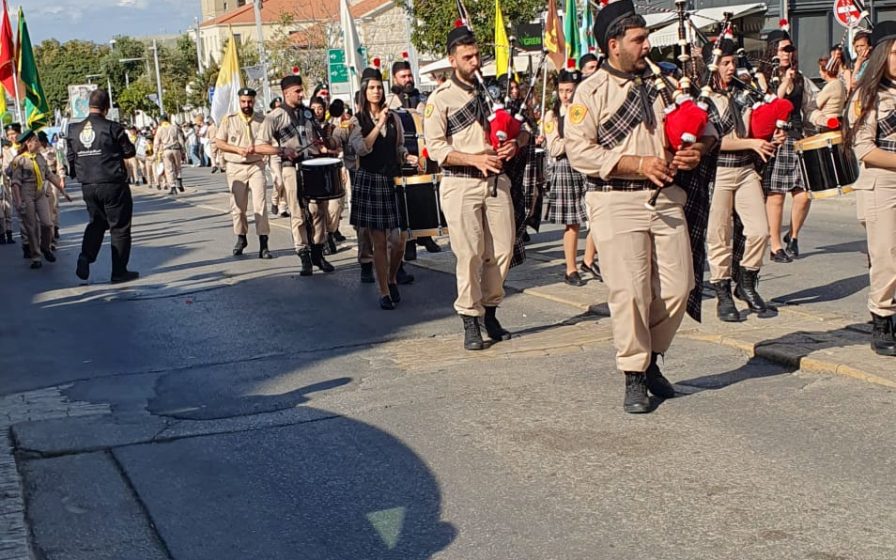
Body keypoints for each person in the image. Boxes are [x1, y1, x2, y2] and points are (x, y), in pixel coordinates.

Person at [564, 0, 715, 413]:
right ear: (614, 45)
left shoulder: (665, 82)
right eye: (639, 39)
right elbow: (579, 152)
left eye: (646, 38)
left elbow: (705, 128)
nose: (647, 45)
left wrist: (698, 150)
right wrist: (639, 163)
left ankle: (651, 357)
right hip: (616, 199)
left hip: (665, 196)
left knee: (680, 286)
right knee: (630, 291)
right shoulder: (589, 91)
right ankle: (634, 372)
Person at [423, 22, 526, 350]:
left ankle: (490, 310)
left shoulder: (493, 92)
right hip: (461, 183)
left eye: (477, 55)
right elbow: (435, 148)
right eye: (467, 57)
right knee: (469, 254)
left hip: (496, 180)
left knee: (503, 249)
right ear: (452, 60)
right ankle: (470, 318)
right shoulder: (440, 99)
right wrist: (473, 159)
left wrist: (515, 144)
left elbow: (522, 130)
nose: (475, 62)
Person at [703, 38, 773, 320]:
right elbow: (711, 143)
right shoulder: (703, 98)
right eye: (725, 63)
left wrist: (770, 136)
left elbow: (756, 128)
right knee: (719, 235)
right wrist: (752, 143)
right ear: (713, 65)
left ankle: (746, 282)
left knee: (760, 231)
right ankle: (722, 293)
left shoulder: (746, 93)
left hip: (745, 170)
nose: (731, 68)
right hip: (718, 172)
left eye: (733, 62)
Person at [845, 21, 896, 356]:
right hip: (882, 182)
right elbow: (865, 149)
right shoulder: (867, 96)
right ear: (881, 56)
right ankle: (882, 319)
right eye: (895, 53)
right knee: (886, 255)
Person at [349, 66, 418, 309]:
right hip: (370, 180)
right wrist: (378, 125)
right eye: (372, 88)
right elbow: (362, 148)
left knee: (399, 240)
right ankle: (384, 291)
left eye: (379, 87)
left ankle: (391, 277)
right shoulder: (357, 120)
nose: (376, 91)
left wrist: (406, 156)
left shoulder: (395, 118)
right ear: (364, 91)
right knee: (378, 242)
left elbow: (398, 146)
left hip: (392, 179)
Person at [255, 74, 338, 275]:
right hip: (290, 167)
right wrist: (281, 150)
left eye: (302, 90)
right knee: (298, 212)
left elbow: (321, 138)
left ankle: (318, 252)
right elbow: (259, 145)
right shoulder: (275, 116)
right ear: (286, 93)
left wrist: (326, 141)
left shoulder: (308, 114)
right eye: (297, 91)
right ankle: (304, 254)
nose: (301, 94)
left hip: (312, 166)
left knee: (318, 210)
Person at [760, 27, 820, 262]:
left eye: (790, 49)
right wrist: (784, 82)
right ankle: (775, 245)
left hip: (797, 138)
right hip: (776, 139)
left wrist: (822, 119)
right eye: (783, 49)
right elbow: (770, 106)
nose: (787, 53)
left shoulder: (801, 78)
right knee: (776, 195)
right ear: (773, 51)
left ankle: (793, 236)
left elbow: (810, 108)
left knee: (804, 193)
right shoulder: (763, 77)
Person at [66, 89, 139, 283]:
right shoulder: (113, 128)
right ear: (106, 107)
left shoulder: (73, 130)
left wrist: (78, 173)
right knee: (119, 227)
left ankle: (85, 256)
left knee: (97, 222)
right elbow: (129, 152)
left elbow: (71, 157)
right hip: (112, 183)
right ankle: (119, 272)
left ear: (88, 105)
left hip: (88, 185)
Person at [543, 63, 600, 286]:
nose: (566, 95)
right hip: (565, 166)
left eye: (570, 90)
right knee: (572, 222)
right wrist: (574, 136)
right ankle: (570, 269)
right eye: (562, 90)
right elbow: (554, 147)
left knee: (596, 216)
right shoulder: (552, 115)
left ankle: (589, 259)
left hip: (586, 164)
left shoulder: (584, 109)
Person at [388, 57, 441, 256]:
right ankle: (408, 241)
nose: (407, 79)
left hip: (425, 154)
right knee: (405, 199)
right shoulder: (389, 101)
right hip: (403, 156)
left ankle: (426, 235)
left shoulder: (423, 99)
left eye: (409, 75)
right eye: (403, 76)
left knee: (426, 195)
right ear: (395, 78)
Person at [215, 87, 273, 259]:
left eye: (249, 101)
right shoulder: (229, 120)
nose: (246, 105)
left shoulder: (262, 120)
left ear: (254, 101)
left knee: (260, 204)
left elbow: (270, 142)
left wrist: (262, 151)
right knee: (238, 207)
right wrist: (236, 149)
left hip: (256, 165)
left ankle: (264, 243)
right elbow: (219, 142)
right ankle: (241, 237)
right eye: (243, 101)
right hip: (236, 166)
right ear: (239, 101)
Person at [9, 129, 70, 268]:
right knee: (31, 227)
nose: (38, 143)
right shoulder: (19, 160)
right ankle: (36, 257)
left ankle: (45, 247)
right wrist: (18, 201)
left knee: (47, 224)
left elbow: (49, 175)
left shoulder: (40, 157)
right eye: (36, 141)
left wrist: (63, 191)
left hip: (40, 193)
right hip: (26, 193)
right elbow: (15, 183)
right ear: (28, 143)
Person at [153, 114, 186, 196]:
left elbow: (156, 142)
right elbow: (181, 140)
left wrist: (155, 152)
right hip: (176, 149)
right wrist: (183, 151)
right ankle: (179, 180)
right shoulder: (174, 127)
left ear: (161, 120)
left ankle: (173, 187)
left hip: (166, 150)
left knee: (169, 169)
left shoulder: (160, 129)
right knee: (178, 166)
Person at [816, 56, 847, 124]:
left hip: (828, 120)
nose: (819, 72)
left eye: (821, 70)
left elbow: (817, 104)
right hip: (838, 118)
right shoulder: (840, 83)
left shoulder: (830, 86)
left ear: (826, 72)